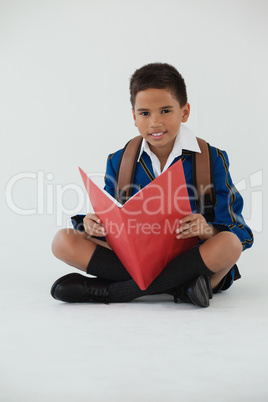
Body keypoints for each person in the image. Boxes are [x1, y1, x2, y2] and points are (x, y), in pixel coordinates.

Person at [50, 62, 253, 308]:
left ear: (185, 112)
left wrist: (206, 229)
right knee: (63, 240)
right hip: (138, 260)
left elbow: (241, 232)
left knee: (229, 244)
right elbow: (111, 215)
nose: (155, 122)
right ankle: (181, 290)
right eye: (145, 113)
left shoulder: (211, 159)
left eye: (165, 111)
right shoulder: (120, 160)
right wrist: (94, 225)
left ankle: (112, 292)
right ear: (134, 117)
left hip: (194, 259)